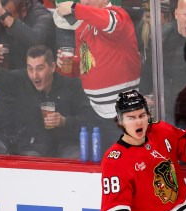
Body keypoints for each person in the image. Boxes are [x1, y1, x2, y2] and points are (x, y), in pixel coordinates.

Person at [0, 23, 94, 157]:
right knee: (29, 159)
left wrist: (65, 121)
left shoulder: (71, 85)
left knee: (76, 156)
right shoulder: (21, 79)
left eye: (39, 68)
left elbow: (89, 119)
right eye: (30, 68)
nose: (34, 75)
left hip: (67, 144)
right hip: (33, 146)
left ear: (53, 67)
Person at [55, 0, 141, 154]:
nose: (85, 1)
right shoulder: (82, 27)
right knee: (101, 164)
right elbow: (85, 66)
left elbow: (109, 21)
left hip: (123, 112)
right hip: (95, 112)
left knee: (130, 163)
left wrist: (75, 8)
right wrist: (65, 66)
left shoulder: (118, 15)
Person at [0, 0, 56, 69]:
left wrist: (4, 15)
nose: (2, 20)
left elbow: (36, 42)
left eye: (7, 14)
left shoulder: (43, 16)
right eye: (0, 15)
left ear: (23, 11)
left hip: (36, 71)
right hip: (8, 71)